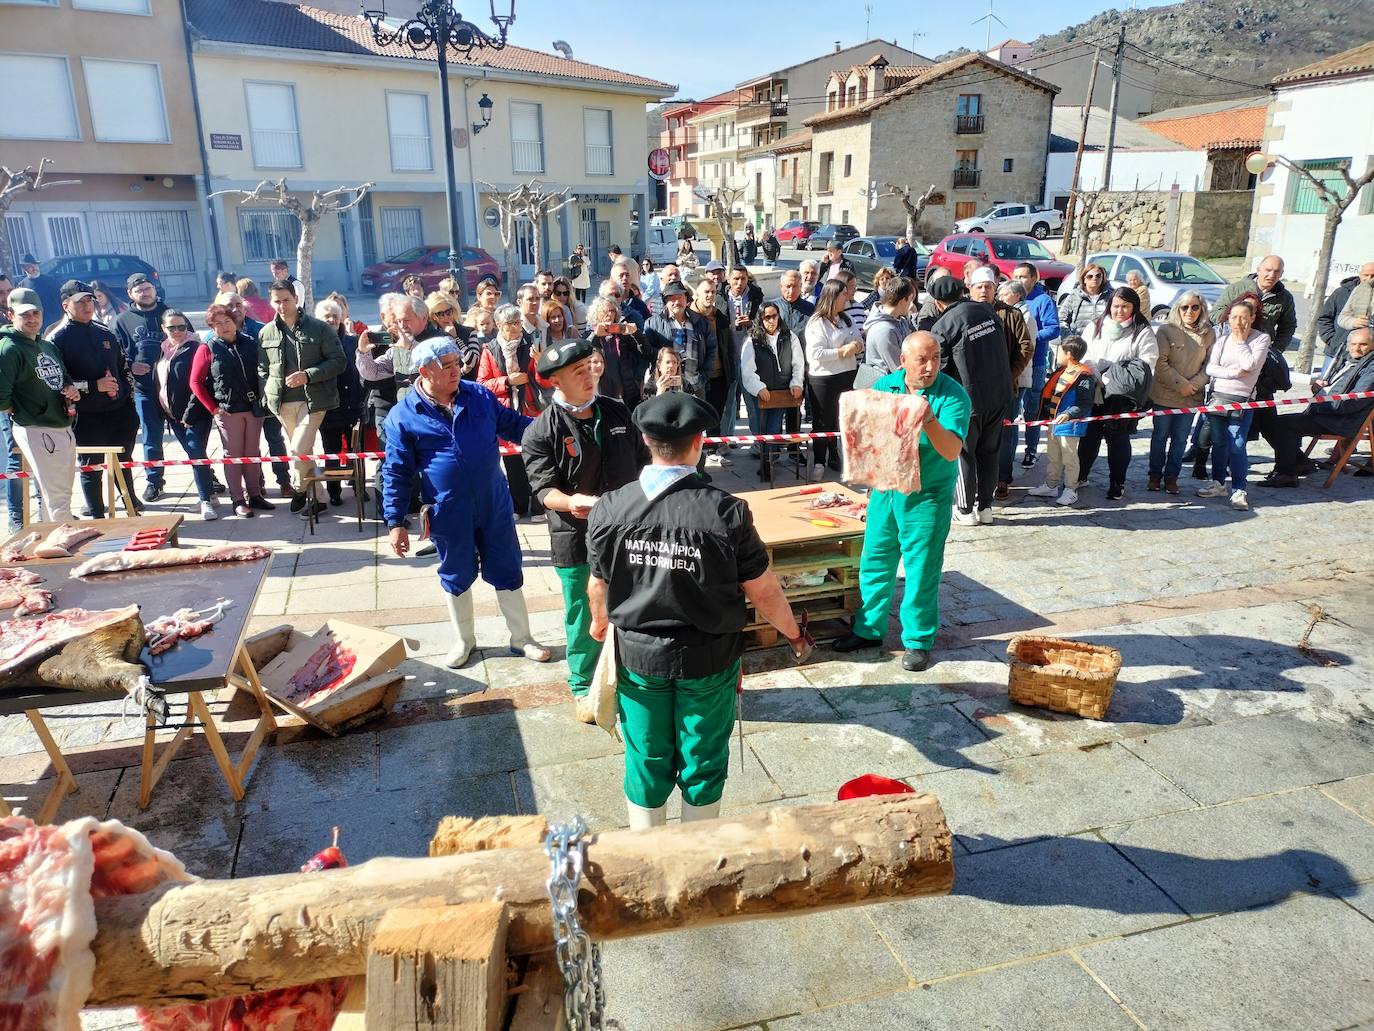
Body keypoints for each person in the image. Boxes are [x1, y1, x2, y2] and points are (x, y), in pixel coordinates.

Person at [586, 392, 809, 828]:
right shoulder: (727, 512)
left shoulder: (609, 507)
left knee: (647, 754)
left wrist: (599, 625)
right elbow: (764, 591)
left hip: (638, 656)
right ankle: (699, 850)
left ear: (646, 440)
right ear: (700, 441)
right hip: (708, 658)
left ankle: (647, 851)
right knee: (703, 756)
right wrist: (794, 635)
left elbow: (597, 585)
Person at [384, 339, 550, 667]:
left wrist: (553, 429)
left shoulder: (478, 395)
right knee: (455, 573)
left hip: (494, 502)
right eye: (445, 366)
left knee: (507, 567)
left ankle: (522, 638)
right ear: (424, 371)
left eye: (456, 363)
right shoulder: (403, 415)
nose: (455, 370)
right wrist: (395, 522)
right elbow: (396, 471)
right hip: (447, 509)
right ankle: (464, 641)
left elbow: (516, 426)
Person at [522, 336, 648, 719]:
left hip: (626, 529)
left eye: (590, 366)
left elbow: (644, 461)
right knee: (583, 612)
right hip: (575, 535)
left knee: (632, 604)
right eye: (577, 372)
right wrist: (569, 501)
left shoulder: (616, 411)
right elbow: (544, 489)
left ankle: (632, 677)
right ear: (555, 381)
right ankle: (583, 685)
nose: (589, 375)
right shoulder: (541, 431)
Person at [833, 332, 970, 670]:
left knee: (921, 570)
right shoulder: (888, 385)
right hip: (885, 489)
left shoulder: (952, 395)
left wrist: (928, 420)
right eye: (922, 360)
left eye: (936, 358)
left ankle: (918, 640)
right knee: (875, 562)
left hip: (926, 496)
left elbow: (952, 451)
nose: (930, 366)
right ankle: (868, 630)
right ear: (903, 361)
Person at [50, 280, 140, 520]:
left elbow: (123, 370)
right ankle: (98, 516)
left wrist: (127, 399)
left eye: (90, 300)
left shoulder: (104, 331)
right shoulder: (57, 339)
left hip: (119, 411)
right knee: (92, 467)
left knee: (124, 462)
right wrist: (92, 386)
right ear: (66, 305)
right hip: (87, 415)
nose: (87, 306)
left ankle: (131, 506)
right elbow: (57, 383)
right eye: (81, 301)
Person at [257, 278, 346, 518]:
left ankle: (299, 488)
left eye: (286, 300)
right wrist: (267, 392)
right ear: (271, 302)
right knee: (304, 452)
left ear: (296, 299)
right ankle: (319, 500)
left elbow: (339, 361)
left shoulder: (319, 328)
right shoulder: (266, 332)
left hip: (314, 400)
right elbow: (262, 369)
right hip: (282, 402)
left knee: (297, 450)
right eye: (277, 301)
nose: (282, 305)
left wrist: (307, 375)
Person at [927, 275, 1010, 524]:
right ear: (963, 292)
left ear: (938, 302)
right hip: (998, 394)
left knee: (963, 453)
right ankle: (986, 508)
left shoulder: (943, 326)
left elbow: (938, 369)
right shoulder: (988, 312)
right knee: (990, 452)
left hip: (969, 399)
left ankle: (964, 510)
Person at [0, 288, 79, 522]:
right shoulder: (9, 348)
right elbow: (1, 395)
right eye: (25, 315)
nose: (32, 319)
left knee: (58, 494)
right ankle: (64, 544)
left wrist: (71, 390)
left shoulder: (48, 346)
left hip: (61, 423)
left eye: (36, 313)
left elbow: (64, 378)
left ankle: (52, 542)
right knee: (58, 497)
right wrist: (16, 410)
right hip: (36, 426)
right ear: (11, 315)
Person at [1261, 328, 1374, 487]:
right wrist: (1319, 389)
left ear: (1372, 345)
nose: (1357, 348)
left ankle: (1287, 473)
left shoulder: (1371, 368)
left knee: (1283, 425)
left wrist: (1320, 397)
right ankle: (1299, 462)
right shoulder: (1347, 360)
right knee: (1268, 423)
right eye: (1354, 344)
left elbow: (1352, 402)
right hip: (1326, 411)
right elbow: (1333, 388)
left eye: (1363, 344)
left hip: (1340, 420)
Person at [1077, 286, 1159, 500]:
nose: (1119, 310)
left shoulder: (1142, 330)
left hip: (1122, 396)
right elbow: (1084, 355)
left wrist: (1114, 375)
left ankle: (1117, 482)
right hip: (1094, 390)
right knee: (1089, 437)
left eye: (1125, 306)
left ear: (1134, 307)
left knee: (1118, 440)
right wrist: (1098, 375)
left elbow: (1148, 362)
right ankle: (1081, 474)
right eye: (1116, 306)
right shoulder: (1095, 326)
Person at [191, 303, 272, 517]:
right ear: (212, 327)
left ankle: (255, 495)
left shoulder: (250, 343)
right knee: (233, 455)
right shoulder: (207, 347)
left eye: (227, 321)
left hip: (253, 408)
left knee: (253, 453)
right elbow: (196, 382)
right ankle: (238, 499)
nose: (224, 326)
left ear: (235, 322)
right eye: (218, 324)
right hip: (228, 411)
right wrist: (213, 409)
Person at [1195, 298, 1270, 511]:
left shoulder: (1260, 340)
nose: (1238, 322)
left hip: (1242, 401)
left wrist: (1240, 342)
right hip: (1218, 397)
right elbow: (1211, 369)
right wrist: (1234, 373)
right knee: (1219, 443)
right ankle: (1219, 482)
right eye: (1234, 317)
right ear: (1228, 318)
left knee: (1237, 444)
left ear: (1252, 318)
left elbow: (1250, 365)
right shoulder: (1221, 340)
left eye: (1244, 317)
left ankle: (1239, 488)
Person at [478, 303, 545, 515]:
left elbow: (545, 381)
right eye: (510, 324)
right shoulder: (489, 350)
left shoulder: (530, 345)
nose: (515, 327)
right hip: (505, 409)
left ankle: (537, 506)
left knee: (534, 458)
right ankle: (518, 506)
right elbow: (482, 383)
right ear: (499, 325)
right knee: (513, 461)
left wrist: (539, 362)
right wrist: (507, 381)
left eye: (517, 322)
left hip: (529, 406)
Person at [1147, 292, 1214, 495]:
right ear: (1178, 309)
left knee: (1180, 439)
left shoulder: (1208, 333)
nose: (1189, 311)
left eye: (1195, 307)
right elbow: (1160, 362)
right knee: (1159, 437)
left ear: (1201, 309)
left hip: (1191, 396)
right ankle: (1155, 475)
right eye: (1185, 307)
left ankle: (1172, 477)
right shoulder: (1166, 330)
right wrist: (1180, 384)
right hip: (1165, 394)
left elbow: (1209, 365)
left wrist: (1193, 384)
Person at [156, 310, 218, 520]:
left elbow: (200, 383)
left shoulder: (195, 348)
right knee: (195, 455)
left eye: (181, 327)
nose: (177, 332)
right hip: (173, 416)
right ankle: (210, 491)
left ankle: (205, 500)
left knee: (196, 454)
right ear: (164, 329)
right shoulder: (163, 349)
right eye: (172, 327)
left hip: (195, 415)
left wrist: (189, 414)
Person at [114, 272, 169, 502]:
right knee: (151, 437)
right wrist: (130, 364)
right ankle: (154, 481)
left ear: (154, 289)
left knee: (190, 436)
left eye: (148, 288)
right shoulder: (122, 320)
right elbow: (116, 355)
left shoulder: (169, 313)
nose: (144, 293)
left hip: (173, 389)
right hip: (144, 390)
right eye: (139, 290)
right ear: (130, 294)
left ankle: (207, 474)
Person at [1027, 336, 1097, 507]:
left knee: (1070, 458)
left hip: (1069, 425)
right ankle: (1051, 485)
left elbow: (1085, 403)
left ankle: (1071, 489)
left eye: (1060, 351)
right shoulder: (1061, 371)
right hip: (1054, 423)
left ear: (1069, 354)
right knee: (1053, 457)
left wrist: (1069, 414)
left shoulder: (1084, 376)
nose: (1056, 353)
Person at [740, 301, 804, 479]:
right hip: (762, 393)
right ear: (760, 319)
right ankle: (765, 460)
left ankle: (770, 461)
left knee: (774, 427)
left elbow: (798, 364)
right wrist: (759, 387)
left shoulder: (789, 336)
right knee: (761, 429)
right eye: (767, 317)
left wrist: (797, 383)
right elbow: (747, 370)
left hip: (781, 392)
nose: (771, 320)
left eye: (774, 316)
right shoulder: (752, 340)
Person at [804, 279, 863, 471]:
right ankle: (819, 461)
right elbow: (816, 354)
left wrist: (856, 346)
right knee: (822, 421)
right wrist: (843, 351)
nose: (848, 297)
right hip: (823, 379)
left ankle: (835, 455)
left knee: (841, 418)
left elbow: (858, 339)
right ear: (833, 296)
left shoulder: (846, 318)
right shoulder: (816, 323)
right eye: (844, 294)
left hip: (846, 374)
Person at [314, 299, 365, 507]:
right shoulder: (315, 344)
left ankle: (358, 487)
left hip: (353, 404)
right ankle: (334, 490)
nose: (332, 320)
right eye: (327, 317)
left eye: (335, 316)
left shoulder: (352, 341)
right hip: (329, 408)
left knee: (357, 452)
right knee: (332, 452)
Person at [1011, 262, 1061, 469]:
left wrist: (1030, 336)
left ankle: (1031, 450)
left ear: (1033, 278)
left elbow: (1054, 329)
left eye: (1023, 276)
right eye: (1015, 276)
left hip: (1036, 362)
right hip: (1014, 363)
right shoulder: (1010, 298)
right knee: (1013, 410)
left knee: (1032, 409)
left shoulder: (1043, 301)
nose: (1018, 280)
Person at [992, 277, 1037, 498]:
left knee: (1007, 434)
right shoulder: (968, 312)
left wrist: (1009, 375)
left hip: (1008, 387)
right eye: (978, 286)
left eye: (989, 286)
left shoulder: (1013, 315)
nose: (985, 291)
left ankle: (1002, 478)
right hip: (978, 390)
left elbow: (1026, 347)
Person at [1210, 255, 1296, 353]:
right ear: (1258, 270)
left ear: (1281, 274)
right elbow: (1214, 313)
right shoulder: (1236, 288)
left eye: (1276, 271)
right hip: (1229, 345)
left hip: (1259, 349)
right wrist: (1235, 320)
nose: (1272, 275)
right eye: (1268, 270)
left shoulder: (1285, 297)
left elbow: (1288, 327)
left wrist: (1276, 350)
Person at [643, 282, 714, 400]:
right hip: (666, 386)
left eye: (680, 297)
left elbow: (711, 349)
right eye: (672, 298)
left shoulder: (700, 321)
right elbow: (648, 352)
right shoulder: (652, 324)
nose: (677, 302)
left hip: (696, 384)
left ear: (687, 299)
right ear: (665, 301)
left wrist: (703, 377)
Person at [583, 296, 649, 413]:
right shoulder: (589, 334)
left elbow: (645, 353)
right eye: (604, 311)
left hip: (626, 391)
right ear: (596, 314)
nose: (609, 314)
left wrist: (635, 333)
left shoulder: (622, 335)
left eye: (612, 310)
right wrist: (595, 335)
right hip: (601, 392)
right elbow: (582, 355)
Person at [691, 276, 736, 447]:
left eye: (713, 292)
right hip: (698, 376)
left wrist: (730, 371)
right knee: (698, 415)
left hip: (720, 375)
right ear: (697, 294)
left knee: (715, 415)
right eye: (706, 292)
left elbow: (728, 346)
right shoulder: (690, 317)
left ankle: (713, 451)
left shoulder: (721, 317)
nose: (710, 295)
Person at [862, 276, 916, 376]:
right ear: (902, 301)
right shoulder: (884, 331)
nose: (911, 305)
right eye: (910, 300)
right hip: (886, 387)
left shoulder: (901, 320)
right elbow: (898, 368)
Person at [1059, 262, 1111, 335]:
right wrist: (1070, 339)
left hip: (1103, 341)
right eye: (1090, 276)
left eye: (1098, 275)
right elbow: (1061, 319)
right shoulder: (1074, 296)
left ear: (1103, 278)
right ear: (1084, 280)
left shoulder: (1111, 296)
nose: (1094, 278)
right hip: (1079, 342)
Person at [17, 255, 61, 321]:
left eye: (35, 264)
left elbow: (61, 298)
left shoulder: (51, 280)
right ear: (24, 268)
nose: (34, 267)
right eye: (30, 266)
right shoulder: (22, 286)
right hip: (37, 321)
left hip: (56, 319)